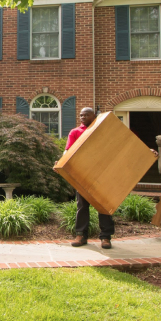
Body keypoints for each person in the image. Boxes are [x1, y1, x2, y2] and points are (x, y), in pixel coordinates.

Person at [54, 107, 115, 249]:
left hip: (101, 173)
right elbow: (67, 151)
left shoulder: (102, 131)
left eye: (86, 115)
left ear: (94, 116)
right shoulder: (75, 132)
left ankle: (106, 237)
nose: (82, 117)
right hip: (82, 174)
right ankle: (80, 235)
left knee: (104, 205)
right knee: (82, 206)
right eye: (81, 115)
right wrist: (61, 162)